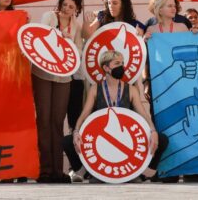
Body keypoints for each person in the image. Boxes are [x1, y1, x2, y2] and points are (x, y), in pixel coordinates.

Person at [66, 50, 167, 181]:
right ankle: (85, 172)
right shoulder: (95, 88)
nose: (122, 67)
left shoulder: (131, 89)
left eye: (123, 63)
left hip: (126, 137)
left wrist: (153, 131)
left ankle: (145, 172)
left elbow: (144, 114)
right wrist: (76, 131)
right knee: (67, 141)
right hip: (103, 140)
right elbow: (84, 114)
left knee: (162, 139)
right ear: (106, 67)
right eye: (117, 63)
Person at [33, 0, 84, 183]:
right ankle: (44, 169)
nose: (66, 9)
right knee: (43, 120)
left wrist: (70, 43)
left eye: (71, 7)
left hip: (64, 77)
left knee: (57, 121)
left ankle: (57, 170)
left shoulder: (76, 26)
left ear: (76, 9)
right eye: (64, 4)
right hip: (43, 74)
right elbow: (38, 39)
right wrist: (57, 35)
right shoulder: (49, 17)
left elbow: (78, 52)